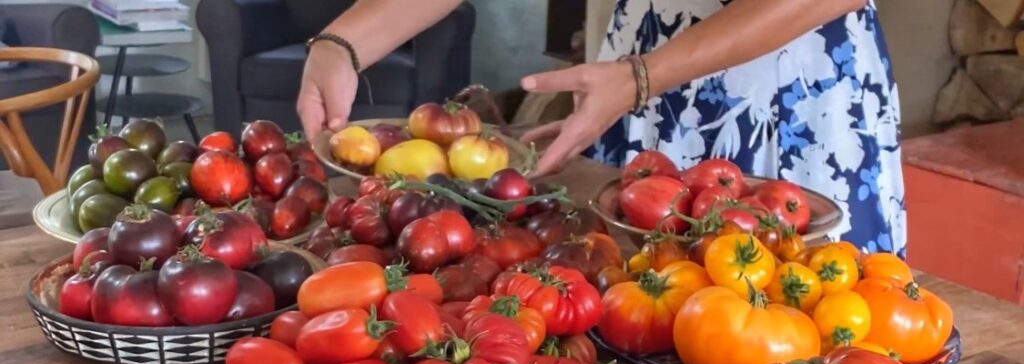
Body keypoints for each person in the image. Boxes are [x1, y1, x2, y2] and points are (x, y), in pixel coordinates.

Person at [299, 0, 904, 255]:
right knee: (636, 341)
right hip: (631, 82)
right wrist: (343, 43)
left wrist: (643, 76)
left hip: (784, 98)